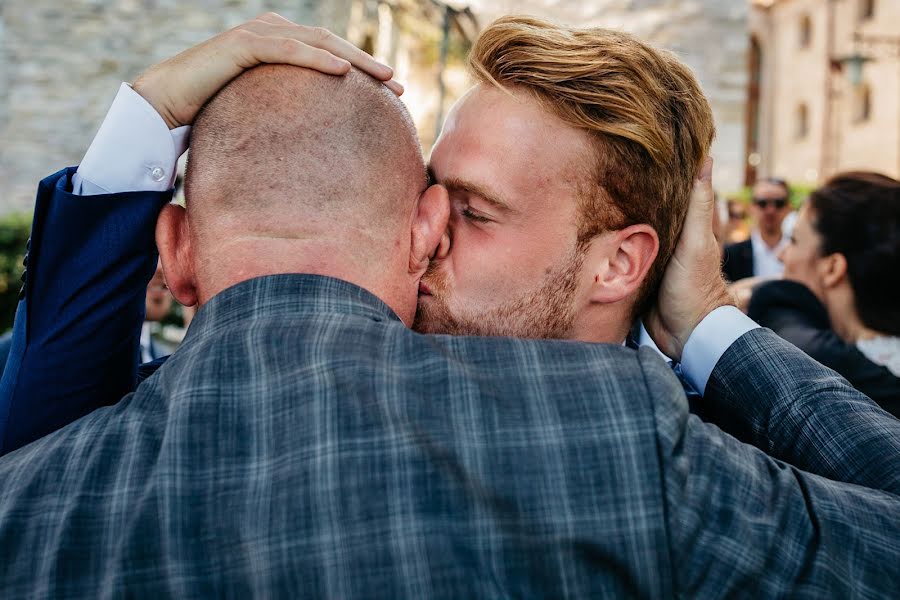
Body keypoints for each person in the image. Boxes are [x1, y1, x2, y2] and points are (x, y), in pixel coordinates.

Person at [1, 47, 900, 599]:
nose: (421, 233)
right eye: (428, 191)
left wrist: (705, 322)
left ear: (618, 262)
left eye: (470, 208)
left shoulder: (658, 441)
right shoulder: (223, 410)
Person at [748, 172, 900, 415]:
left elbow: (776, 303)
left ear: (832, 268)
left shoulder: (829, 365)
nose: (781, 255)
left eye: (795, 241)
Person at [722, 177, 792, 282]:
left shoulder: (801, 254)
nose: (770, 210)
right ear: (751, 207)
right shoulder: (731, 255)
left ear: (788, 207)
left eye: (778, 203)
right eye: (762, 203)